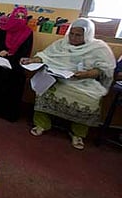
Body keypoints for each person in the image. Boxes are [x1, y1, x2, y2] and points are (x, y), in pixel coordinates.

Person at [21, 18, 115, 150]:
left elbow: (102, 70)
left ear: (87, 35)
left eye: (78, 35)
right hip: (58, 78)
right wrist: (32, 60)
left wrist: (86, 74)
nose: (73, 37)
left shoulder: (98, 48)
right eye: (72, 33)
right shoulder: (61, 44)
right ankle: (42, 124)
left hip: (83, 81)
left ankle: (77, 133)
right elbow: (45, 56)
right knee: (43, 86)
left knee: (90, 99)